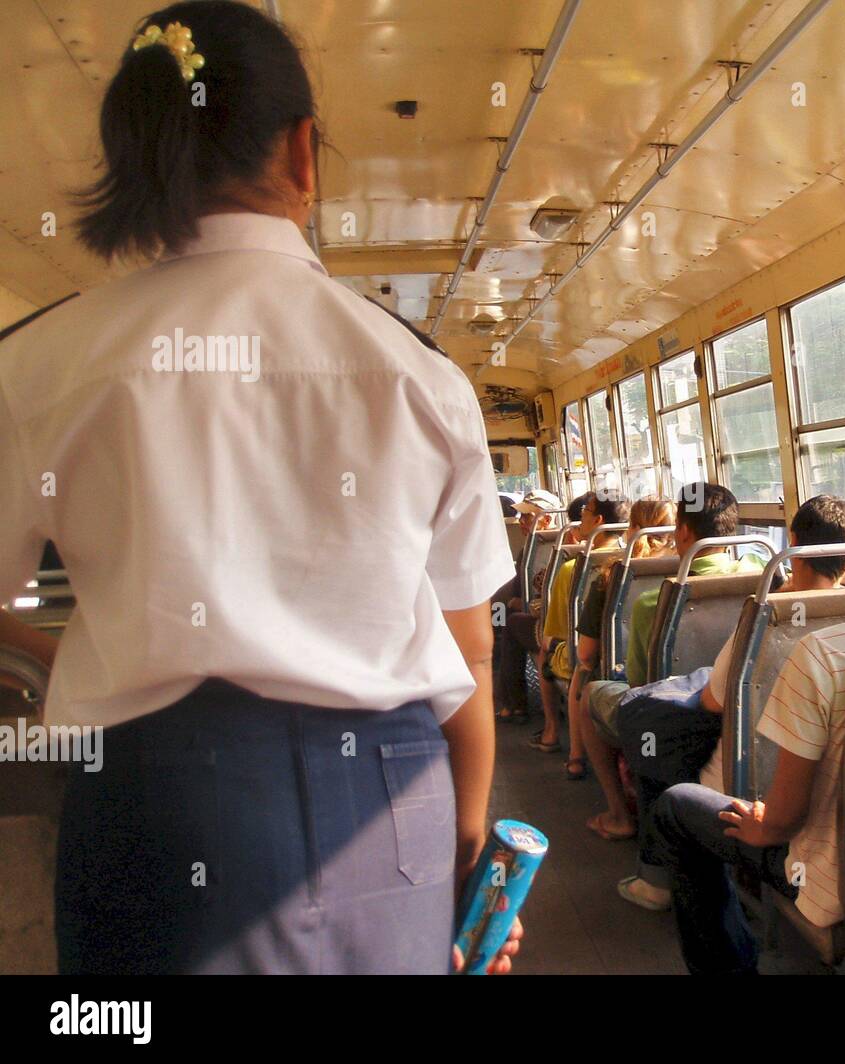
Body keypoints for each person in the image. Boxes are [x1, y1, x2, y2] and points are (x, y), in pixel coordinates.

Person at [0, 1, 519, 974]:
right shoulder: (418, 375)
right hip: (388, 806)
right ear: (302, 153)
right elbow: (472, 649)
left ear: (138, 160)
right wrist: (468, 841)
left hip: (148, 810)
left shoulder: (38, 367)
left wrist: (78, 648)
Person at [648, 477, 845, 974]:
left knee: (677, 808)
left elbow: (783, 818)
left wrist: (763, 825)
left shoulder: (824, 653)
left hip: (827, 880)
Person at [612, 495, 845, 914]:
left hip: (745, 785)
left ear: (795, 545)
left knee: (657, 737)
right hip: (827, 797)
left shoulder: (766, 619)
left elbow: (713, 700)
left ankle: (658, 875)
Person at [582, 482, 761, 806]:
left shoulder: (655, 602)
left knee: (590, 694)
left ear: (683, 532)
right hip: (738, 701)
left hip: (672, 714)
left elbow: (640, 683)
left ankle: (618, 813)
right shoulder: (760, 579)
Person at [570, 496, 677, 837]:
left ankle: (616, 811)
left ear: (632, 529)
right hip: (698, 688)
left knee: (585, 680)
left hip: (638, 690)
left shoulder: (610, 577)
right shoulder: (689, 575)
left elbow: (586, 653)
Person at [532, 488, 630, 780]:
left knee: (546, 651)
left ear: (597, 519)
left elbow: (555, 632)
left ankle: (553, 733)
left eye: (585, 513)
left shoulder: (573, 568)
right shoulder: (638, 564)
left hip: (584, 653)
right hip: (624, 658)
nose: (580, 518)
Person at [492, 489, 561, 724]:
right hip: (557, 620)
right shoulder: (567, 544)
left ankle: (513, 704)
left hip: (549, 624)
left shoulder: (535, 551)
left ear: (547, 519)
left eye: (527, 517)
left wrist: (519, 603)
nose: (521, 522)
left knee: (510, 621)